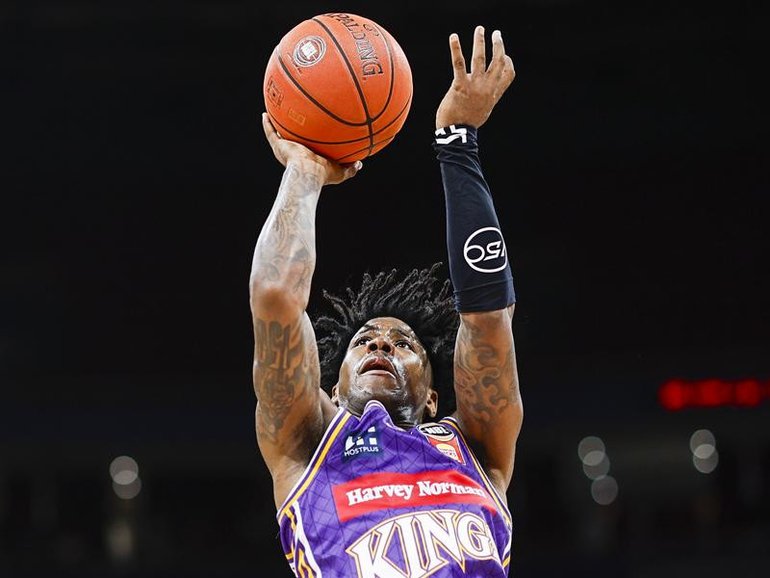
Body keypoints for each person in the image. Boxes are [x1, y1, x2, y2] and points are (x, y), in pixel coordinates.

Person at [250, 24, 522, 577]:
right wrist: (305, 170)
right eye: (365, 340)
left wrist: (458, 141)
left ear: (433, 398)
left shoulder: (476, 448)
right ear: (331, 388)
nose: (381, 345)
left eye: (404, 344)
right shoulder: (308, 444)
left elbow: (489, 317)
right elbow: (276, 295)